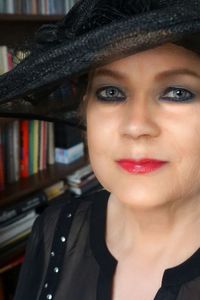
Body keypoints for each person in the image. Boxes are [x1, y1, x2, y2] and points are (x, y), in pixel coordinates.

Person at [1, 0, 200, 299]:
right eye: (111, 92)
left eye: (177, 93)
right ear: (85, 110)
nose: (135, 126)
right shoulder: (54, 228)